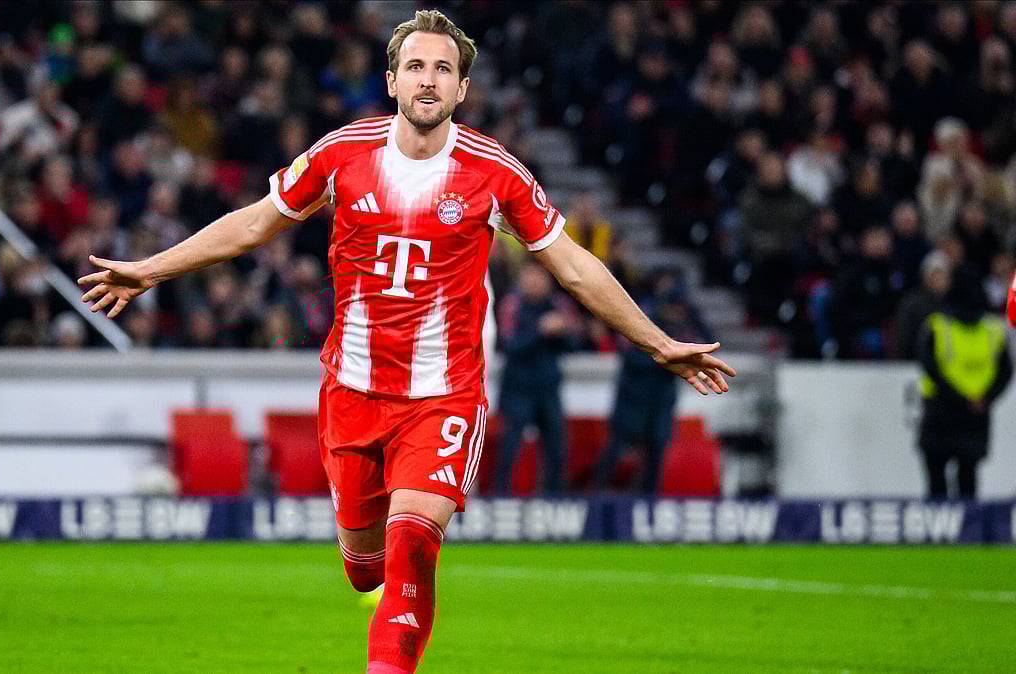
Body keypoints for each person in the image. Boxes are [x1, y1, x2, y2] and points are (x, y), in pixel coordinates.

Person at [78, 11, 734, 673]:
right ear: (392, 80)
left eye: (443, 69)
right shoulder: (342, 155)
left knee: (414, 538)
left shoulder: (494, 173)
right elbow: (252, 227)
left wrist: (655, 341)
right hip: (353, 393)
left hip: (444, 396)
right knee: (366, 570)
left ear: (462, 90)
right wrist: (150, 269)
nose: (429, 79)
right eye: (416, 67)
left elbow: (573, 265)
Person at [590, 273, 715, 494]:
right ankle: (596, 495)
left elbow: (708, 340)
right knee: (616, 450)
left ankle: (647, 501)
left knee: (656, 453)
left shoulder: (684, 323)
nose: (677, 313)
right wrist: (665, 360)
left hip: (661, 401)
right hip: (633, 398)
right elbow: (629, 355)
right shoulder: (643, 319)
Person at [916, 273, 1012, 499]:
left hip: (940, 409)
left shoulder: (937, 325)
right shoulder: (994, 329)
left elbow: (929, 366)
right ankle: (968, 529)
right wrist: (984, 398)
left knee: (936, 475)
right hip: (976, 412)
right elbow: (1006, 371)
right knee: (968, 475)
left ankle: (938, 528)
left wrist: (958, 398)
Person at [493, 261, 583, 495]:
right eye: (529, 275)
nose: (534, 281)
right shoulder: (512, 305)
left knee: (556, 447)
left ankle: (553, 499)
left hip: (548, 387)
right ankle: (501, 496)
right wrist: (539, 331)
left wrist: (561, 332)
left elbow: (575, 345)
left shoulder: (560, 305)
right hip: (517, 387)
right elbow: (508, 344)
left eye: (540, 276)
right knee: (509, 447)